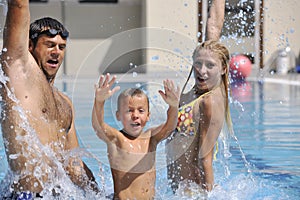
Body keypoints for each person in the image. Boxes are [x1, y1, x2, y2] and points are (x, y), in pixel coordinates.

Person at [0, 0, 99, 198]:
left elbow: (74, 165)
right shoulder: (20, 80)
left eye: (62, 47)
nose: (57, 52)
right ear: (29, 46)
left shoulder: (64, 103)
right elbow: (18, 6)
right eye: (49, 45)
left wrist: (100, 193)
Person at [92, 73, 180, 199]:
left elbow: (169, 127)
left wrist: (173, 106)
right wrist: (99, 102)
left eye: (141, 110)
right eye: (129, 110)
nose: (135, 115)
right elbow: (98, 126)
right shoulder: (117, 139)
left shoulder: (151, 139)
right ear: (118, 116)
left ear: (148, 115)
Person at [166, 39, 233, 194]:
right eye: (198, 63)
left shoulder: (209, 102)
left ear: (223, 69)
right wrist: (172, 106)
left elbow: (205, 158)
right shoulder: (194, 93)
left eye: (210, 65)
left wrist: (208, 196)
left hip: (193, 193)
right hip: (178, 191)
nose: (202, 70)